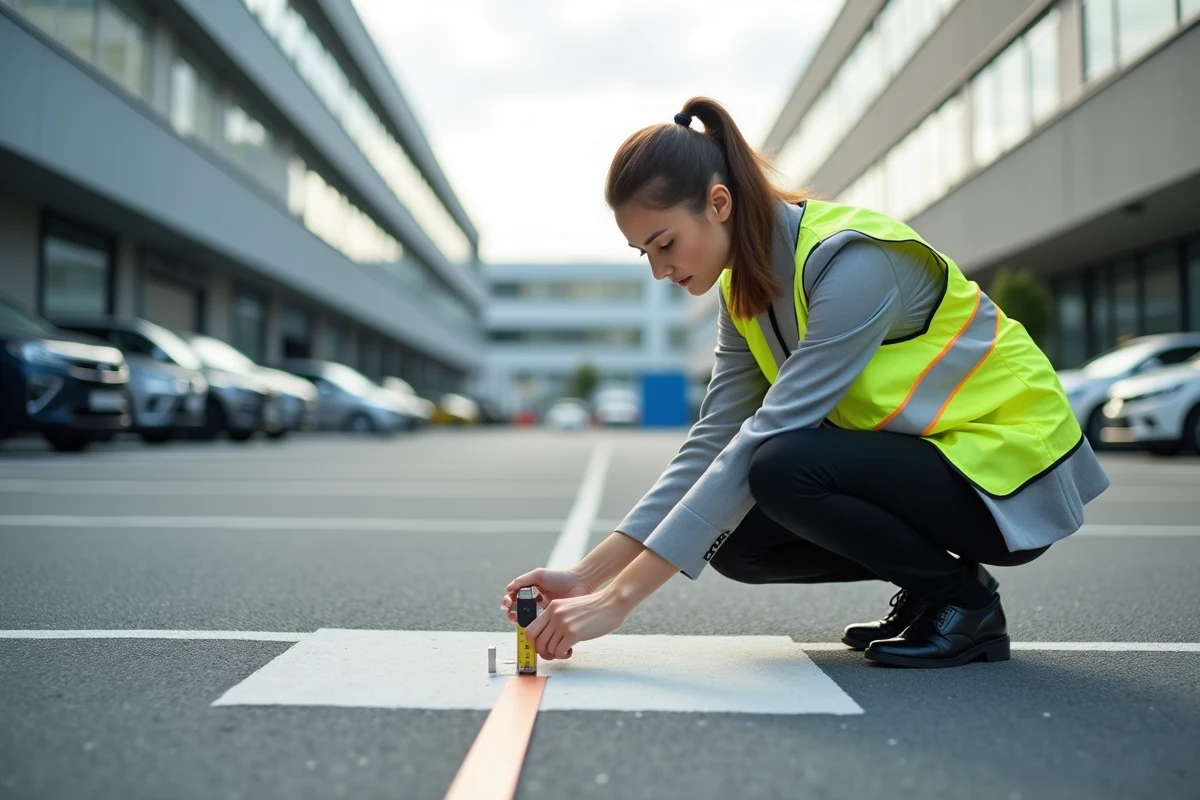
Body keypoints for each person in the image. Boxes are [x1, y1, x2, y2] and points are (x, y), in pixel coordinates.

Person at [501, 97, 1110, 669]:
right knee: (733, 538)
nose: (661, 270)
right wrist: (586, 577)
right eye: (644, 254)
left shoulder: (853, 263)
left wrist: (618, 601)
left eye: (665, 243)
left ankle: (966, 606)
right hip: (939, 464)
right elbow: (713, 440)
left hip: (1012, 469)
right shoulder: (744, 292)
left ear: (718, 203)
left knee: (781, 465)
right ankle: (938, 589)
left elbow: (768, 433)